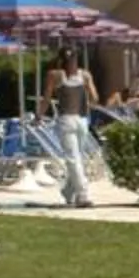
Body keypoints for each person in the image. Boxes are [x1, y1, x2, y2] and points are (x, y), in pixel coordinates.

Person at [48, 53, 97, 206]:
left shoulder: (79, 75)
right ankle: (82, 194)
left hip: (78, 120)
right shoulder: (59, 75)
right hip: (72, 120)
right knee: (74, 158)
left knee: (77, 158)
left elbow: (94, 98)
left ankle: (69, 190)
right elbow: (95, 97)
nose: (72, 64)